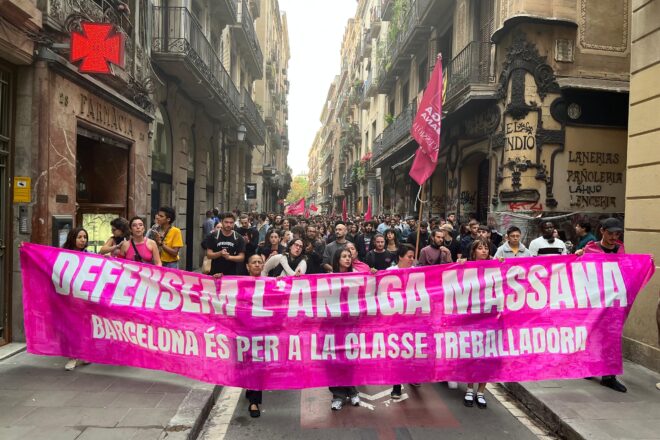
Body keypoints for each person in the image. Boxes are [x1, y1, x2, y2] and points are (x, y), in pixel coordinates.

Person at [575, 218, 628, 393]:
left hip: (614, 302)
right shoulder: (590, 249)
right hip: (594, 301)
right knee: (593, 333)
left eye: (617, 233)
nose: (614, 237)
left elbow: (627, 270)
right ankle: (590, 365)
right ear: (602, 231)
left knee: (612, 336)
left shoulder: (621, 249)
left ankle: (609, 375)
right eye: (611, 233)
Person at [458, 238, 494, 409]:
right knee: (472, 355)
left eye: (486, 248)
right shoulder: (466, 267)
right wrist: (459, 264)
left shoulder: (496, 267)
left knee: (487, 357)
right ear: (473, 252)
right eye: (480, 248)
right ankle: (470, 389)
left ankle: (481, 392)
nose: (484, 251)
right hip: (471, 318)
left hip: (492, 317)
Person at [386, 244, 421, 399]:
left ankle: (413, 376)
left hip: (413, 318)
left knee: (412, 350)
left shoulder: (417, 273)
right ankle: (397, 385)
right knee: (397, 352)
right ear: (400, 256)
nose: (412, 260)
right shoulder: (389, 273)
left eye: (413, 257)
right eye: (409, 256)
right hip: (395, 320)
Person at [329, 247, 361, 410]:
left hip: (351, 325)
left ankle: (353, 391)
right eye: (344, 256)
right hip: (334, 326)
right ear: (337, 259)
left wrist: (374, 274)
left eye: (349, 256)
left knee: (350, 359)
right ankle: (338, 395)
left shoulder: (357, 277)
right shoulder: (328, 278)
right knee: (335, 361)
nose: (348, 259)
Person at [62, 227, 91, 371]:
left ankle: (83, 353)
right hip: (67, 298)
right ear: (72, 238)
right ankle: (72, 357)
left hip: (84, 298)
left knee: (83, 327)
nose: (82, 240)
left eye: (84, 237)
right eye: (79, 237)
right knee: (71, 327)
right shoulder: (62, 255)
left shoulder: (90, 256)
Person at [243, 254, 267, 417]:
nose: (257, 265)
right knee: (246, 363)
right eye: (254, 262)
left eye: (260, 262)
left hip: (262, 330)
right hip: (243, 330)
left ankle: (254, 402)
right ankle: (249, 387)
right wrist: (218, 280)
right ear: (248, 266)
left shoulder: (270, 284)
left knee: (257, 364)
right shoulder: (239, 283)